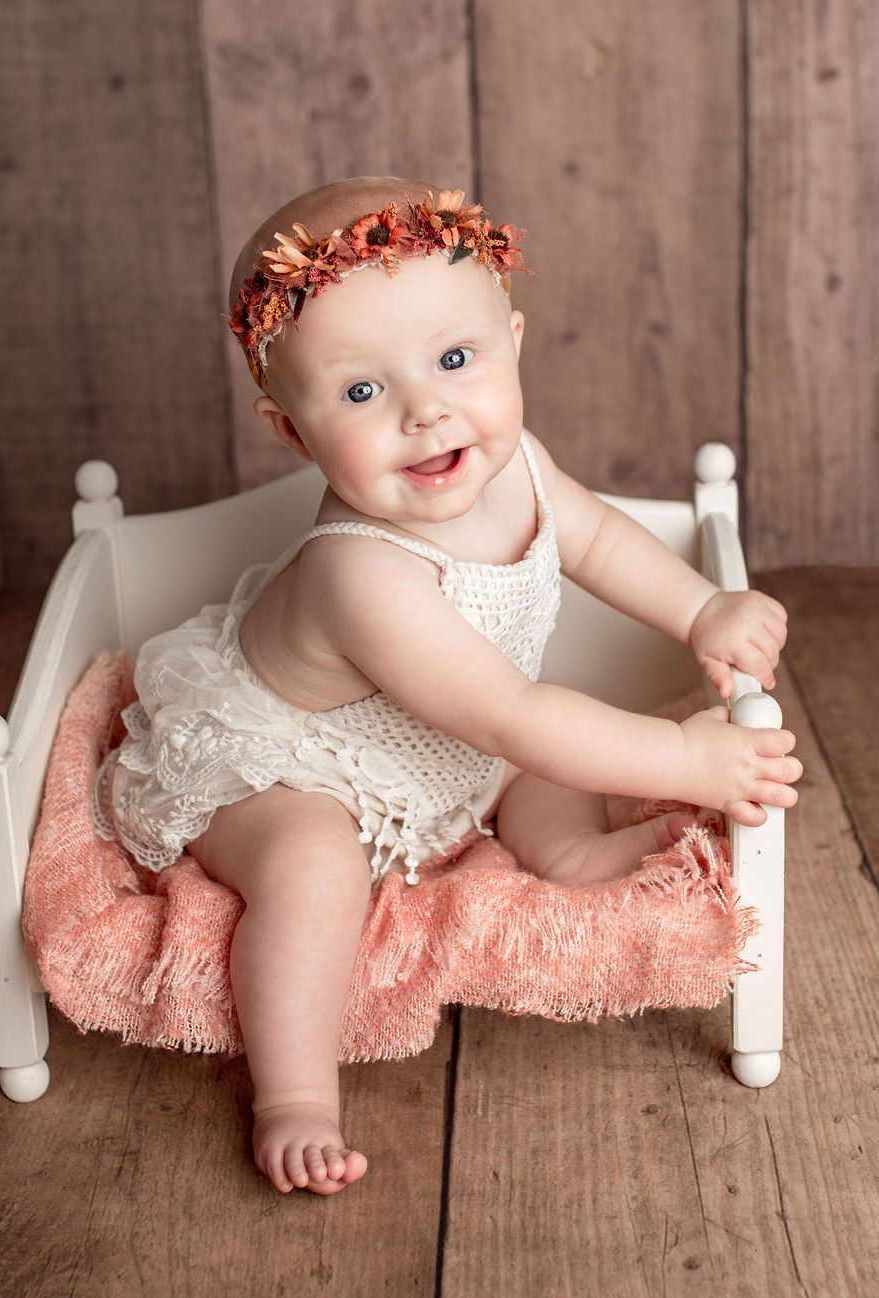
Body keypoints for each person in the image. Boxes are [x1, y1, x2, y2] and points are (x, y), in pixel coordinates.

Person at [92, 175, 801, 1198]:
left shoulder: (516, 466)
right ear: (292, 431)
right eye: (362, 391)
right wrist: (686, 755)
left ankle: (568, 850)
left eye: (456, 360)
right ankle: (292, 1090)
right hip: (282, 758)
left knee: (527, 758)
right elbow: (514, 713)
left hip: (433, 737)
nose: (427, 411)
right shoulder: (360, 572)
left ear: (511, 342)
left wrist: (700, 610)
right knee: (313, 866)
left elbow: (595, 536)